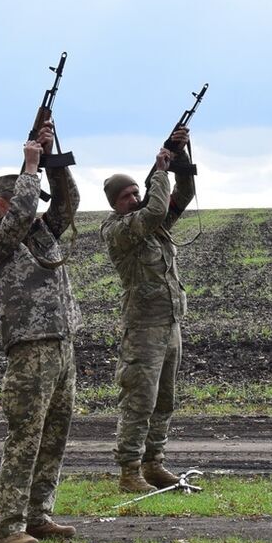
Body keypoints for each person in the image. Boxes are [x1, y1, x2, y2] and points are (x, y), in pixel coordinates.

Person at [0, 120, 82, 543]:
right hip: (30, 348)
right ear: (5, 202)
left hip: (62, 344)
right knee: (26, 437)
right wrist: (30, 169)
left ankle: (39, 515)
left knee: (55, 434)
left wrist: (51, 159)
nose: (36, 208)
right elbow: (18, 218)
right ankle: (10, 524)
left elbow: (69, 202)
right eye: (25, 198)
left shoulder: (43, 233)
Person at [100, 122, 197, 494]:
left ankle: (153, 462)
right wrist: (159, 170)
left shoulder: (152, 225)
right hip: (143, 328)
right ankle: (129, 470)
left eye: (135, 191)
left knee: (165, 399)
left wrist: (178, 155)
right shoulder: (120, 229)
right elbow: (156, 208)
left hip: (170, 324)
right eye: (126, 195)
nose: (133, 197)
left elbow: (183, 195)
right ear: (114, 203)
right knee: (139, 400)